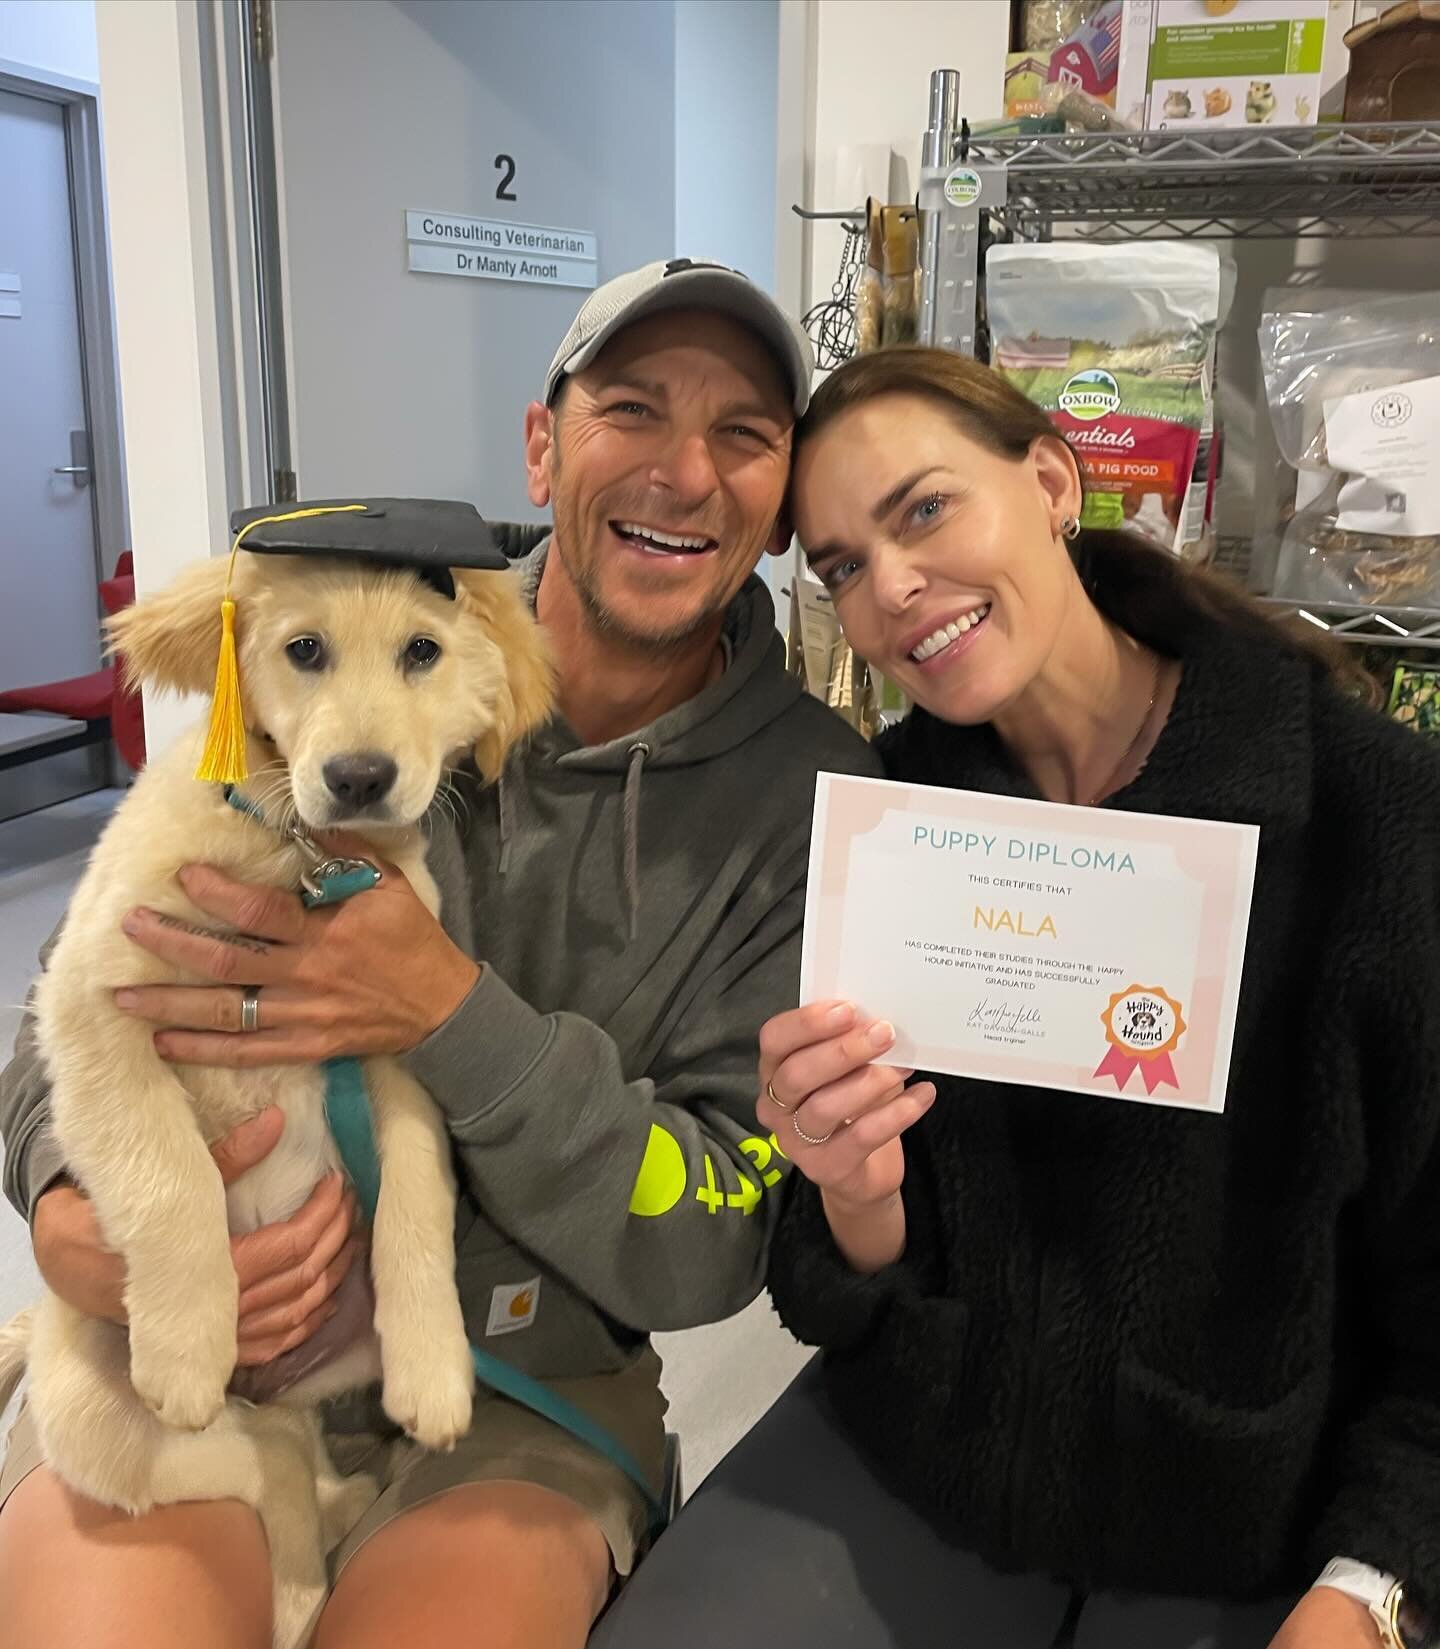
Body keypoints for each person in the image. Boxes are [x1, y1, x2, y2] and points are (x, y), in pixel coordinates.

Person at [0, 261, 876, 1649]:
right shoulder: (352, 616)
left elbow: (717, 1240)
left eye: (746, 434)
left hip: (522, 1382)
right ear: (543, 442)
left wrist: (451, 1013)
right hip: (184, 1342)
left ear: (780, 495)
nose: (685, 472)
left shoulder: (821, 803)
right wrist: (66, 1207)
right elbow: (78, 996)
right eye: (633, 408)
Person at [591, 348, 1440, 1649]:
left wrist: (1376, 1586)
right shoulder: (892, 837)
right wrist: (852, 1190)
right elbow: (846, 1282)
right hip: (943, 1456)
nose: (891, 590)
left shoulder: (1374, 815)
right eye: (838, 566)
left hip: (1260, 1515)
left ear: (1051, 480)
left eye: (923, 511)